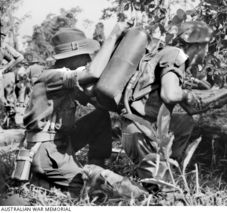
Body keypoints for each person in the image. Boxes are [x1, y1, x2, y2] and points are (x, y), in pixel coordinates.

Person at [21, 23, 141, 196]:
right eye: (85, 55)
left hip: (63, 143)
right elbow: (92, 72)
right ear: (72, 55)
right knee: (96, 188)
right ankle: (54, 178)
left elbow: (101, 104)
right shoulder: (51, 76)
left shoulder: (67, 83)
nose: (88, 59)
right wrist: (113, 35)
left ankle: (98, 165)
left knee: (100, 116)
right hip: (47, 151)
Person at [103, 21, 214, 180]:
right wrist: (186, 95)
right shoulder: (177, 56)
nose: (206, 51)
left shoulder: (163, 52)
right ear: (198, 46)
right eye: (206, 46)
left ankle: (164, 166)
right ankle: (161, 170)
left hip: (133, 130)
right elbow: (169, 94)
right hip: (141, 134)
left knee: (185, 122)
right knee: (158, 192)